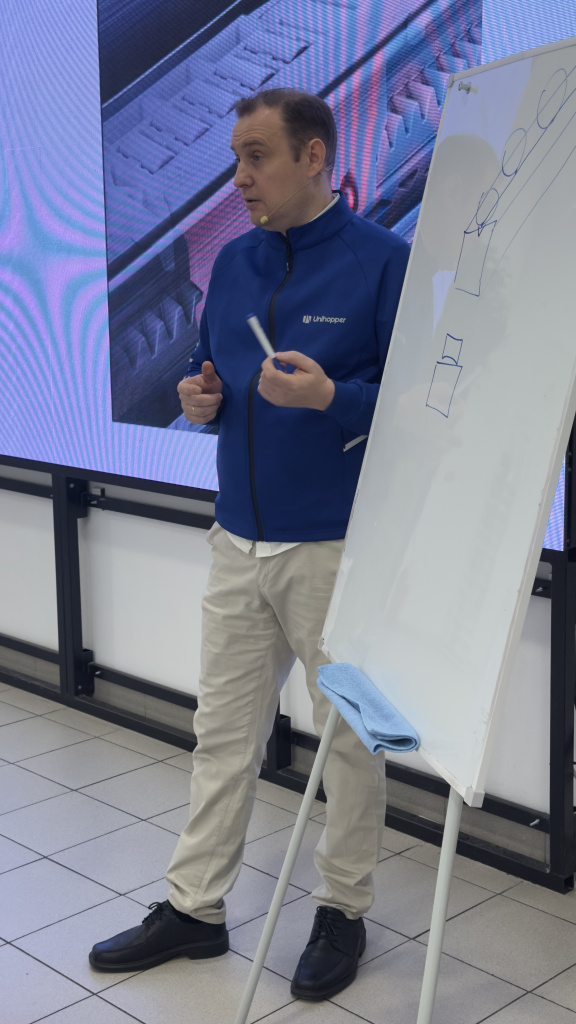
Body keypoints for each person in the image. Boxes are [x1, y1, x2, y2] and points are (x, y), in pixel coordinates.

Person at [90, 88, 410, 1001]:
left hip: (336, 548)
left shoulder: (384, 262)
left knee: (349, 742)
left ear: (314, 156)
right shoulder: (232, 261)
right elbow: (216, 380)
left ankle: (342, 909)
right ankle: (195, 907)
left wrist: (333, 398)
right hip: (238, 538)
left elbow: (420, 409)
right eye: (236, 157)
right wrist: (202, 401)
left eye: (257, 156)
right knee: (222, 732)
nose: (240, 177)